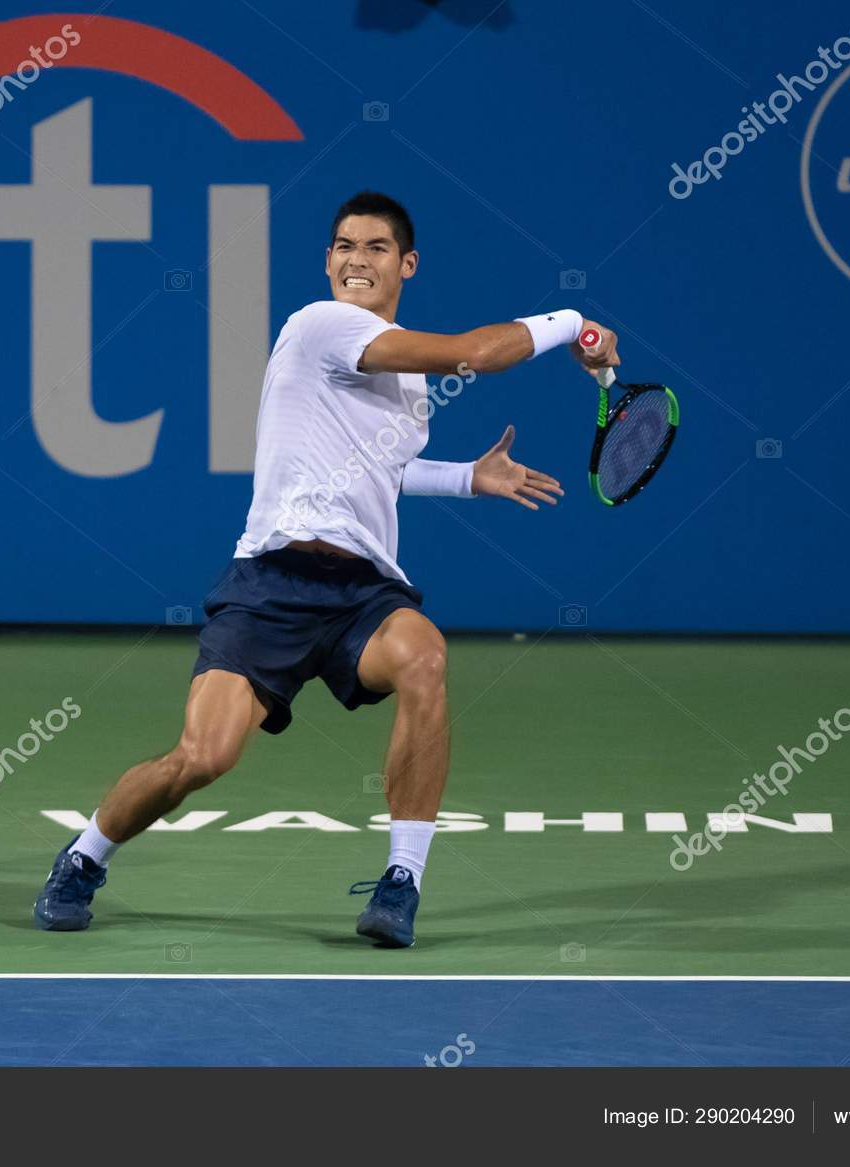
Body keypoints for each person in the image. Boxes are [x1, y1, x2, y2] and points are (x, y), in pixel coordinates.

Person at [34, 190, 619, 946]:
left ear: (406, 263)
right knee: (201, 758)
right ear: (327, 261)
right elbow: (475, 353)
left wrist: (469, 478)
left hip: (361, 595)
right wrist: (574, 324)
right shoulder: (319, 326)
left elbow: (384, 470)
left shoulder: (406, 386)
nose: (356, 260)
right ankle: (85, 857)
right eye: (344, 246)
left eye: (376, 247)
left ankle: (401, 881)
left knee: (424, 656)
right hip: (270, 586)